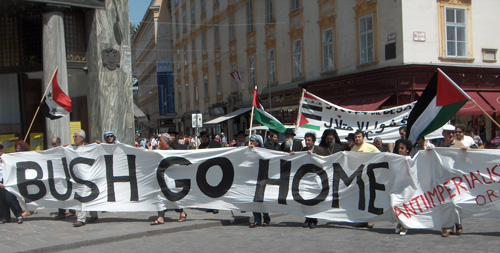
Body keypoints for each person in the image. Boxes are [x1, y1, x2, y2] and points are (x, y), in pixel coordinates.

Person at [430, 124, 464, 237]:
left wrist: (467, 150)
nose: (451, 135)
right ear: (443, 134)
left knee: (455, 203)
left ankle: (458, 224)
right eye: (448, 132)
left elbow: (471, 156)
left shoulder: (459, 145)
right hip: (443, 180)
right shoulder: (439, 146)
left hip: (456, 180)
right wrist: (429, 151)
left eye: (452, 133)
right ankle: (447, 227)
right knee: (445, 204)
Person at [150, 133, 188, 225]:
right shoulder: (158, 151)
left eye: (161, 140)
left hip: (168, 179)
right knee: (160, 197)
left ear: (166, 141)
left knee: (170, 197)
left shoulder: (170, 151)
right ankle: (160, 217)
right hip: (159, 179)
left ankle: (181, 212)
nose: (159, 142)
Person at [351, 130, 379, 228]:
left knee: (369, 198)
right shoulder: (353, 149)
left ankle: (370, 220)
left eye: (359, 137)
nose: (357, 139)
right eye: (356, 137)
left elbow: (380, 156)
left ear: (363, 137)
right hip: (359, 178)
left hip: (369, 176)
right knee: (361, 199)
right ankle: (363, 219)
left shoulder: (370, 147)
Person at [72, 129, 99, 227]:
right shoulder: (72, 149)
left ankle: (86, 217)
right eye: (74, 137)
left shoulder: (89, 147)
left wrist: (100, 144)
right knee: (82, 197)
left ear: (82, 138)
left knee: (87, 196)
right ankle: (87, 217)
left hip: (88, 176)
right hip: (77, 178)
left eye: (76, 137)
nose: (74, 138)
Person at [300, 132, 326, 229]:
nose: (307, 142)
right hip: (306, 179)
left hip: (316, 178)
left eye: (309, 140)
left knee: (314, 200)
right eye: (306, 140)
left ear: (313, 141)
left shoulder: (320, 150)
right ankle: (307, 218)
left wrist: (314, 155)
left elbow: (323, 161)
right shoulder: (303, 150)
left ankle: (314, 220)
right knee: (306, 199)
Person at [247, 134, 272, 228]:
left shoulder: (264, 150)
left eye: (253, 141)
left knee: (261, 200)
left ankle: (266, 217)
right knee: (254, 200)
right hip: (252, 178)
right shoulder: (250, 150)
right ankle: (257, 220)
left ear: (258, 142)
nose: (251, 143)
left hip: (262, 178)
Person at [52, 136, 76, 220]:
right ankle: (61, 212)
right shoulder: (53, 152)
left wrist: (68, 147)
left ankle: (72, 210)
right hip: (58, 176)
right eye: (52, 144)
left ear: (59, 143)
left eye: (54, 144)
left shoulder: (65, 149)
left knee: (70, 193)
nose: (53, 146)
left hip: (67, 175)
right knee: (60, 194)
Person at [0, 143, 24, 224]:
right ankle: (5, 217)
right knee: (2, 200)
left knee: (9, 198)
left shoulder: (7, 158)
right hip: (0, 181)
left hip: (8, 180)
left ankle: (18, 215)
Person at [394, 138, 412, 236]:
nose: (400, 150)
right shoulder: (396, 159)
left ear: (407, 149)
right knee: (394, 204)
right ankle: (400, 222)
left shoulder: (409, 159)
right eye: (399, 148)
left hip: (406, 187)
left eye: (402, 148)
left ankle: (404, 226)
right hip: (397, 186)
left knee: (403, 206)